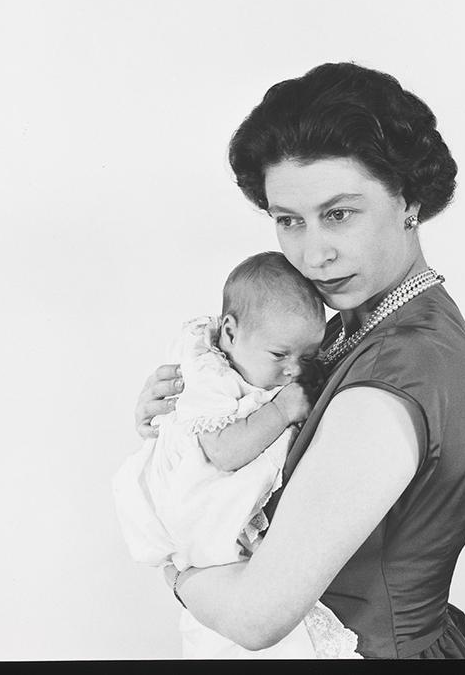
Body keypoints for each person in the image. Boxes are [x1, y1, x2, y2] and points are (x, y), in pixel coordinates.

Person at [134, 62, 465, 658]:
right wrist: (182, 423)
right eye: (288, 221)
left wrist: (172, 562)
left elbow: (254, 619)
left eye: (340, 213)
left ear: (409, 200)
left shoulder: (390, 382)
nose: (314, 253)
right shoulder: (367, 327)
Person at [113, 251, 361, 658]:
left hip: (233, 549)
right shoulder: (209, 376)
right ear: (229, 331)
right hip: (200, 522)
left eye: (306, 358)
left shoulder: (256, 361)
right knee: (225, 636)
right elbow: (225, 452)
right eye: (280, 355)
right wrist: (282, 411)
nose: (292, 371)